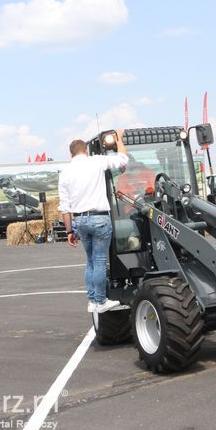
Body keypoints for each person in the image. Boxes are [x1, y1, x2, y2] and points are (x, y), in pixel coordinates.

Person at [59, 131, 129, 314]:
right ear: (86, 151)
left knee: (90, 261)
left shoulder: (65, 172)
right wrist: (119, 139)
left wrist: (69, 232)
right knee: (99, 261)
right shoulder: (96, 161)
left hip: (80, 219)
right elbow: (122, 160)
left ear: (71, 154)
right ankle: (101, 301)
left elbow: (64, 207)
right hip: (99, 218)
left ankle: (91, 300)